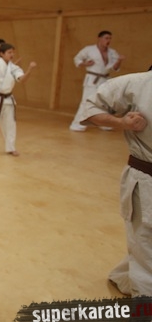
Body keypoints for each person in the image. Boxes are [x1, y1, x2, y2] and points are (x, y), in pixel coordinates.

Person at [81, 67, 151, 296]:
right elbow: (90, 107)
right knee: (145, 242)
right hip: (147, 178)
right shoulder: (137, 83)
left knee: (143, 246)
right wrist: (123, 122)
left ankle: (124, 276)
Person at [0, 43, 36, 157]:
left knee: (10, 125)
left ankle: (10, 148)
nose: (12, 54)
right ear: (1, 54)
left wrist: (29, 70)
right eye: (9, 52)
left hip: (8, 100)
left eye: (13, 52)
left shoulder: (14, 68)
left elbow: (22, 80)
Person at [69, 30, 124, 132]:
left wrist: (119, 60)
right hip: (92, 79)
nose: (108, 40)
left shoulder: (112, 52)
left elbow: (115, 68)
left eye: (110, 38)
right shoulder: (89, 50)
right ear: (100, 39)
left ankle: (104, 124)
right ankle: (77, 124)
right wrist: (85, 64)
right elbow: (77, 59)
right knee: (86, 101)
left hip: (105, 80)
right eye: (106, 38)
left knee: (105, 103)